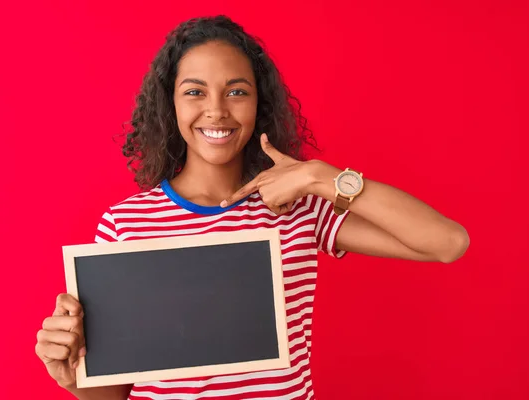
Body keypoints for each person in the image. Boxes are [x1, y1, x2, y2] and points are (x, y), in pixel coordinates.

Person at [35, 15, 470, 400]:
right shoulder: (125, 224)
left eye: (236, 91)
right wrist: (71, 379)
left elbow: (447, 242)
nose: (216, 110)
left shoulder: (300, 208)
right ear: (171, 103)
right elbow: (116, 390)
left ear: (259, 103)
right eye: (194, 91)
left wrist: (321, 176)